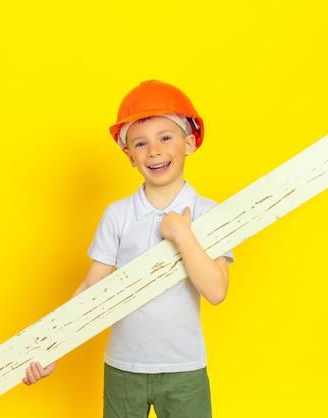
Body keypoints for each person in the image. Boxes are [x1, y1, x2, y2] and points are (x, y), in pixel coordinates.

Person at [22, 80, 233, 418]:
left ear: (189, 142)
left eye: (165, 137)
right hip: (123, 369)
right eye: (140, 143)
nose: (154, 150)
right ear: (129, 156)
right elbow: (92, 287)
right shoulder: (118, 215)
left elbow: (216, 290)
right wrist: (51, 348)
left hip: (184, 368)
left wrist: (183, 235)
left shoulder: (208, 213)